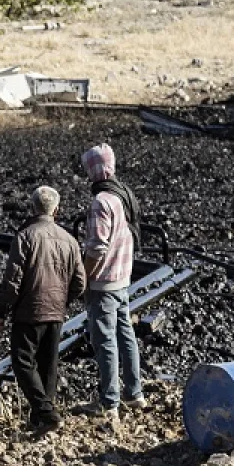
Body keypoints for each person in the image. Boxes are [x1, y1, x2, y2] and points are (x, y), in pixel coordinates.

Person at [0, 186, 86, 434]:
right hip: (56, 311)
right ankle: (43, 418)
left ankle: (47, 412)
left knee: (22, 361)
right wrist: (64, 301)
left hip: (29, 311)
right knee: (48, 364)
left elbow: (12, 281)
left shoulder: (24, 237)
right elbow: (80, 282)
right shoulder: (70, 241)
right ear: (57, 210)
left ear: (32, 208)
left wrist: (2, 313)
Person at [80, 143, 145, 424]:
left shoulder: (100, 203)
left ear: (93, 169)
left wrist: (82, 278)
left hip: (103, 283)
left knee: (105, 341)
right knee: (125, 335)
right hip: (122, 278)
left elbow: (96, 248)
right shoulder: (123, 195)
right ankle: (135, 392)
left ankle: (109, 403)